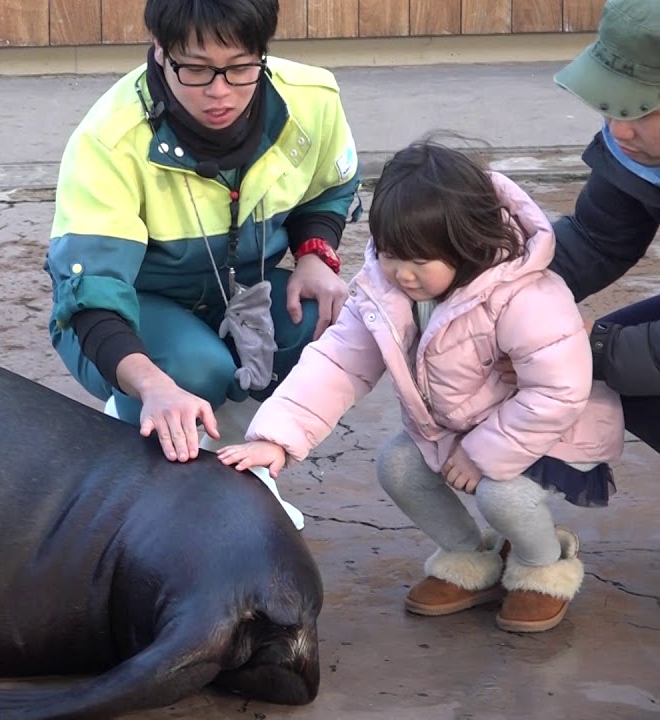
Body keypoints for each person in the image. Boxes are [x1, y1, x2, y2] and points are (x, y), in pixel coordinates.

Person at [216, 139, 625, 633]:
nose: (401, 274)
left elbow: (559, 391)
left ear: (467, 243)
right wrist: (276, 438)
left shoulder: (525, 295)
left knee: (503, 496)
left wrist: (482, 453)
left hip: (551, 430)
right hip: (463, 425)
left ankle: (543, 565)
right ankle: (470, 559)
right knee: (399, 465)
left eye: (418, 260)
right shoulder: (386, 289)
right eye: (389, 254)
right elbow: (340, 362)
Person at [43, 0, 361, 464]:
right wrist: (152, 386)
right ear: (159, 49)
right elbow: (92, 295)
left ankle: (235, 458)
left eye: (240, 67)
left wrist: (315, 253)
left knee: (321, 320)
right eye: (195, 69)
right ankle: (131, 419)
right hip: (132, 309)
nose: (220, 92)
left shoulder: (312, 100)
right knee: (196, 367)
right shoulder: (108, 140)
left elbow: (331, 186)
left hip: (238, 289)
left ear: (262, 51)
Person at [543, 0, 660, 453]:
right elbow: (596, 238)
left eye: (639, 108)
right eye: (611, 104)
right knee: (606, 375)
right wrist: (491, 283)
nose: (619, 129)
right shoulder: (638, 148)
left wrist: (597, 349)